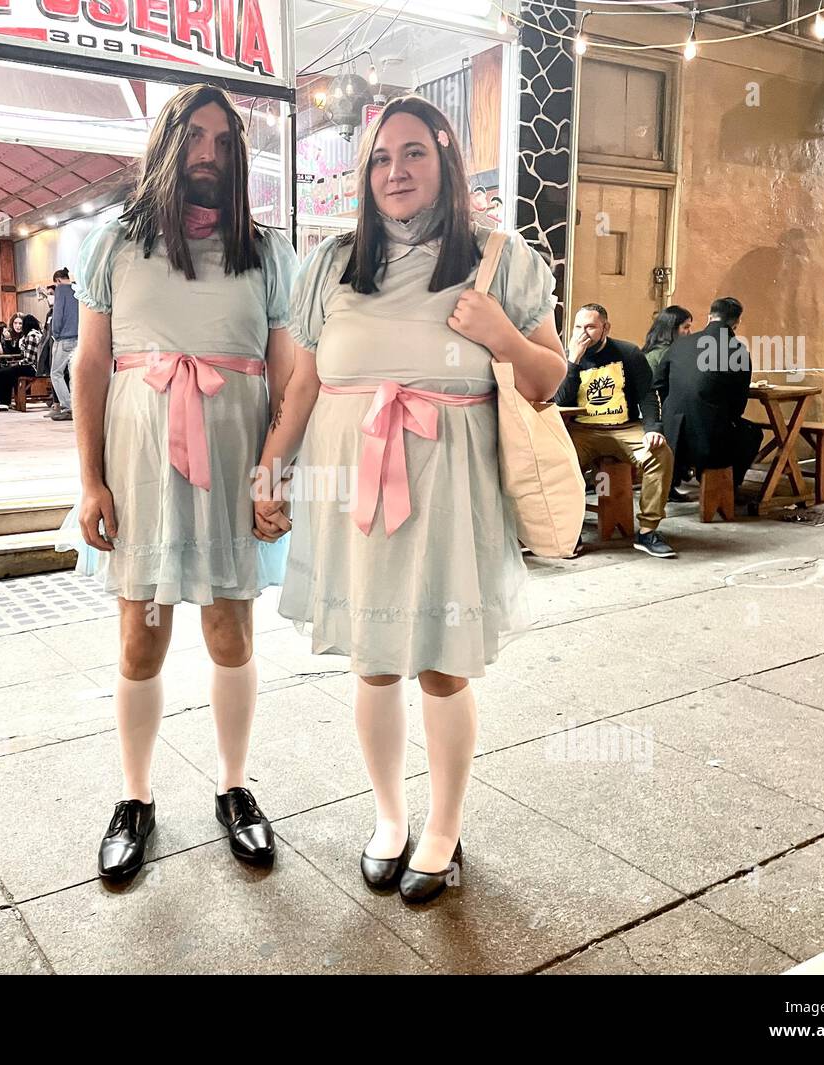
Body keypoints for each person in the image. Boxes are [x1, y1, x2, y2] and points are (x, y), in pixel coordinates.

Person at [253, 94, 567, 905]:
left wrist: (501, 333)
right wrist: (271, 467)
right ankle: (390, 818)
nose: (396, 171)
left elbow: (546, 381)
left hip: (447, 491)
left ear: (445, 158)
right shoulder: (332, 263)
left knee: (440, 665)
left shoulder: (502, 258)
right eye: (381, 159)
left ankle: (443, 824)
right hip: (350, 490)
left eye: (414, 154)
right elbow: (305, 381)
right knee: (373, 661)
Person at [67, 83, 299, 883]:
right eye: (195, 137)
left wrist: (276, 472)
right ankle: (134, 797)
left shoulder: (266, 251)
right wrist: (90, 479)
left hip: (235, 467)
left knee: (230, 631)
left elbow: (287, 370)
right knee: (142, 635)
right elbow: (91, 364)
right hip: (140, 469)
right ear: (167, 145)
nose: (210, 152)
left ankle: (235, 788)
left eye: (225, 141)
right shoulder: (116, 243)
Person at [554, 303, 677, 559]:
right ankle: (567, 532)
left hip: (625, 427)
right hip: (583, 430)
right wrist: (573, 361)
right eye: (578, 327)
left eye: (590, 327)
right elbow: (561, 401)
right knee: (557, 462)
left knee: (660, 454)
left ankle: (647, 531)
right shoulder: (567, 355)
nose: (582, 333)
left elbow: (647, 394)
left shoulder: (628, 353)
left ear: (605, 328)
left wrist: (653, 428)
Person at [653, 296, 764, 492]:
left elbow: (659, 382)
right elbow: (739, 403)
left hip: (672, 435)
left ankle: (676, 479)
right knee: (752, 433)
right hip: (708, 441)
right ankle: (727, 487)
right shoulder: (737, 350)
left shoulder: (680, 344)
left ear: (709, 316)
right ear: (737, 322)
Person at [0, 313, 41, 409]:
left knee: (3, 372)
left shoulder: (31, 335)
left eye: (21, 324)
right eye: (16, 323)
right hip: (30, 365)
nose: (19, 326)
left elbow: (29, 360)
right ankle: (0, 401)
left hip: (32, 367)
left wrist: (16, 364)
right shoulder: (33, 334)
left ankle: (2, 402)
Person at [48, 267, 78, 422]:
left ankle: (68, 406)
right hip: (79, 338)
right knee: (74, 374)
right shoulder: (78, 288)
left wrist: (55, 333)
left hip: (64, 337)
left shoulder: (61, 290)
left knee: (56, 373)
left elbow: (58, 314)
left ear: (58, 280)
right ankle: (78, 407)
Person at [641, 305, 692, 374]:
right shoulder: (654, 357)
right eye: (686, 327)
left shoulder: (680, 352)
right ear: (672, 329)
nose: (690, 332)